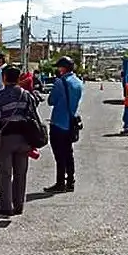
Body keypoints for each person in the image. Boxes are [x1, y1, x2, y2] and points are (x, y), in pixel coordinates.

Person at [0, 66, 38, 215]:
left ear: (4, 78)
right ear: (18, 78)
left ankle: (5, 206)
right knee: (21, 173)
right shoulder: (26, 95)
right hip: (23, 139)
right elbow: (33, 117)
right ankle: (19, 205)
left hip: (5, 140)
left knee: (4, 173)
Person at [45, 56, 84, 193]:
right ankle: (70, 182)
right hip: (71, 122)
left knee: (59, 155)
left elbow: (51, 101)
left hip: (59, 123)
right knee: (69, 153)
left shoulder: (60, 82)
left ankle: (60, 182)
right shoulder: (79, 82)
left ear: (63, 68)